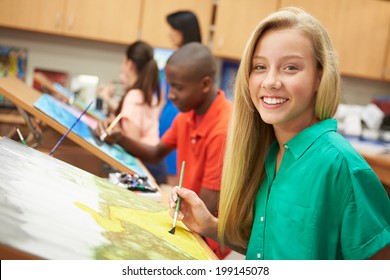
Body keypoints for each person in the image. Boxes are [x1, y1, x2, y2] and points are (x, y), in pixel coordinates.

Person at [169, 7, 390, 260]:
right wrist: (208, 224)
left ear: (319, 76)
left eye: (291, 68)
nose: (271, 81)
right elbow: (270, 248)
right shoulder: (270, 154)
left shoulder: (341, 166)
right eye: (260, 66)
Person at [99, 42, 233, 259]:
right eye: (169, 86)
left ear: (205, 84)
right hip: (184, 217)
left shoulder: (223, 128)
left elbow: (205, 209)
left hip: (205, 238)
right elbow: (154, 153)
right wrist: (120, 137)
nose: (170, 95)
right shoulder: (185, 117)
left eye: (178, 87)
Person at [99, 41, 166, 184]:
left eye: (123, 62)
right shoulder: (147, 94)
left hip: (144, 163)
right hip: (154, 163)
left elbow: (132, 140)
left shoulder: (134, 96)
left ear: (130, 64)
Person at [160, 10, 203, 185]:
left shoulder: (196, 59)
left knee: (177, 176)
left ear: (184, 30)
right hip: (170, 119)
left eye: (173, 29)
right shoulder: (175, 57)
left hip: (183, 119)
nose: (170, 34)